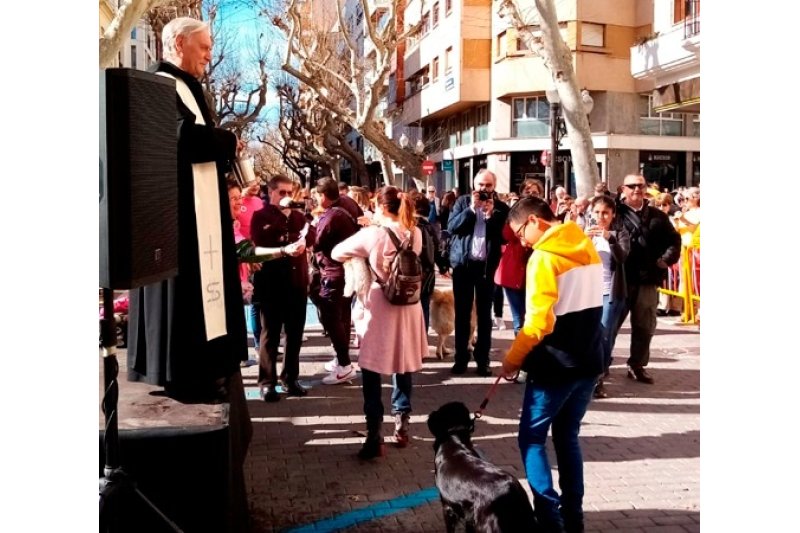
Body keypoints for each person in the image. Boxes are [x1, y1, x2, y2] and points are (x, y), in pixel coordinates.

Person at [127, 17, 248, 402]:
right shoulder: (158, 83)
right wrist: (226, 139)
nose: (209, 56)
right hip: (177, 219)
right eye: (205, 47)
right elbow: (177, 138)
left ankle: (205, 366)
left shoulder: (188, 86)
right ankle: (185, 372)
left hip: (199, 215)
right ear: (179, 43)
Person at [500, 196, 604, 533]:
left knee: (531, 440)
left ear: (534, 221)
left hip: (555, 364)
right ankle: (574, 516)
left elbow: (537, 324)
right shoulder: (585, 244)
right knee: (567, 436)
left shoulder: (543, 258)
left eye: (519, 233)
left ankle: (549, 518)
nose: (520, 241)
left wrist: (511, 359)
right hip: (588, 360)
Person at [331, 187, 428, 459]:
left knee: (372, 371)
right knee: (403, 364)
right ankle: (402, 423)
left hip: (380, 304)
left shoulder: (372, 234)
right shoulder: (415, 233)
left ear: (382, 207)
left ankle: (375, 436)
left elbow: (338, 251)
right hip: (409, 305)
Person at [250, 175, 316, 401]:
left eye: (290, 193)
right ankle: (267, 382)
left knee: (295, 333)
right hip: (271, 282)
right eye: (282, 193)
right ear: (271, 193)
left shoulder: (299, 216)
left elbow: (313, 238)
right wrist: (283, 217)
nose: (287, 197)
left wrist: (306, 218)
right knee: (270, 334)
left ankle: (290, 377)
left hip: (296, 282)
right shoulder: (261, 216)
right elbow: (260, 240)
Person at [612, 174, 681, 384]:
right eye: (631, 186)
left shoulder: (658, 216)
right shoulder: (613, 213)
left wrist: (665, 260)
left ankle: (637, 365)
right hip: (618, 280)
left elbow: (674, 240)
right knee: (609, 327)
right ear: (622, 189)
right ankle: (601, 366)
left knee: (644, 325)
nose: (636, 189)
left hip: (647, 279)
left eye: (640, 185)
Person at [447, 168, 510, 376]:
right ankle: (461, 358)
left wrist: (492, 216)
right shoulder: (462, 202)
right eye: (481, 185)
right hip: (464, 266)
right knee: (462, 315)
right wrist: (472, 210)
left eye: (488, 186)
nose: (484, 190)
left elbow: (505, 237)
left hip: (486, 268)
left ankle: (483, 360)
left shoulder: (501, 207)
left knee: (484, 316)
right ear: (475, 186)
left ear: (494, 187)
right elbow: (452, 227)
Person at [312, 177, 363, 385]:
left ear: (322, 196)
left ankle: (344, 365)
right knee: (342, 315)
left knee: (332, 317)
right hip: (348, 269)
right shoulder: (349, 203)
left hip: (334, 272)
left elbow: (315, 242)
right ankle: (341, 359)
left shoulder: (331, 217)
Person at [585, 195, 630, 399]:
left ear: (612, 215)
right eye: (597, 212)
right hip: (586, 292)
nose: (600, 217)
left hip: (609, 291)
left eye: (605, 213)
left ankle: (598, 379)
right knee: (589, 335)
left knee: (604, 335)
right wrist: (583, 240)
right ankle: (594, 372)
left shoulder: (619, 233)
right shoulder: (584, 233)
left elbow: (622, 257)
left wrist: (609, 238)